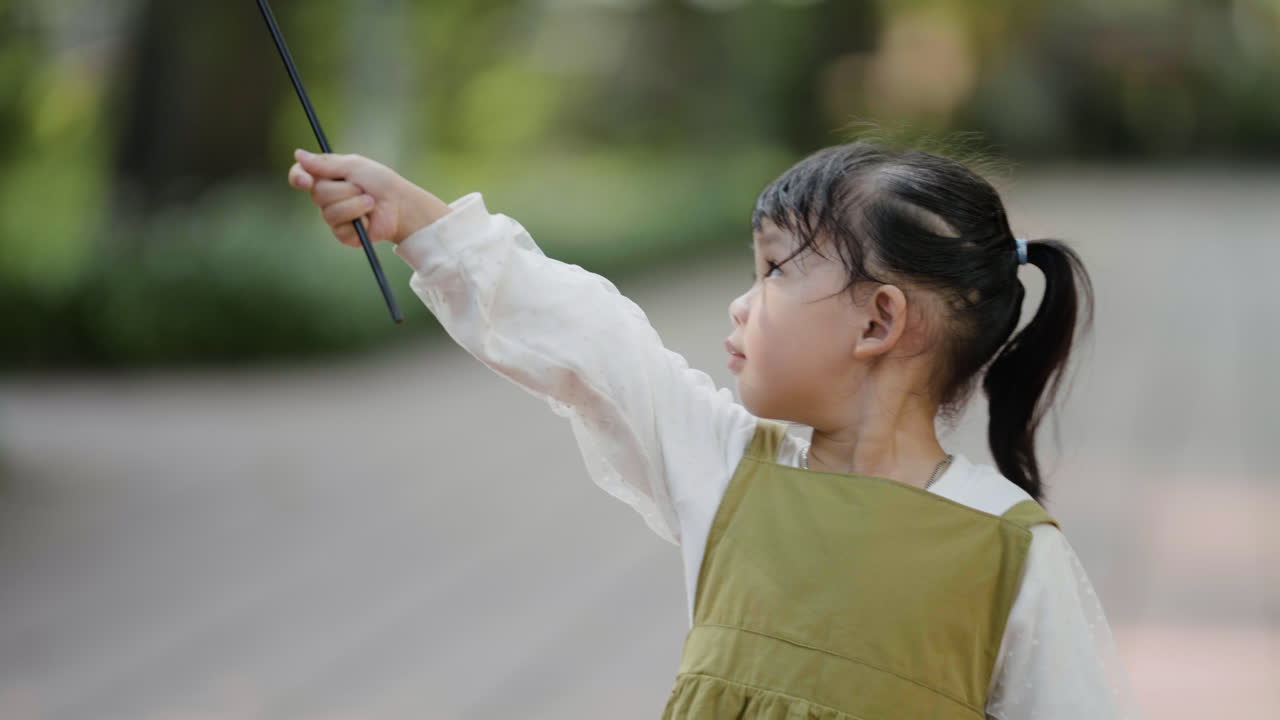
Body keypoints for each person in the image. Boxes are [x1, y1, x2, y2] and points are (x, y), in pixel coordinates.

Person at [286, 141, 1138, 719]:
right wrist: (427, 225)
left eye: (772, 269)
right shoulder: (728, 465)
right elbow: (593, 338)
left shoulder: (1008, 552)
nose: (742, 300)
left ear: (878, 322)